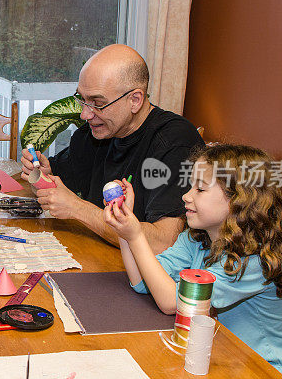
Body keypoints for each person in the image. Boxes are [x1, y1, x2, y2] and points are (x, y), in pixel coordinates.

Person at [104, 143, 282, 379]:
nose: (185, 196)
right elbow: (143, 282)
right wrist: (125, 231)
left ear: (239, 200)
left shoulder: (251, 261)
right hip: (219, 357)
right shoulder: (198, 238)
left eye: (200, 189)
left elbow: (173, 302)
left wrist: (136, 237)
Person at [20, 44, 203, 252]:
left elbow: (164, 242)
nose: (85, 115)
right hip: (97, 256)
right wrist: (43, 176)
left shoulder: (175, 143)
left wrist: (78, 208)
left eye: (98, 103)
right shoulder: (96, 134)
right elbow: (56, 187)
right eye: (82, 99)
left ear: (135, 100)